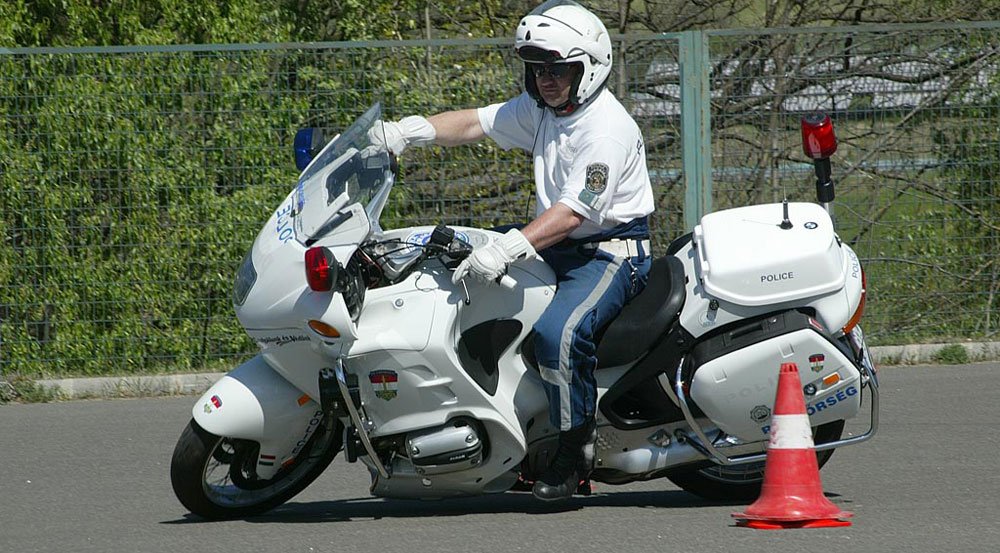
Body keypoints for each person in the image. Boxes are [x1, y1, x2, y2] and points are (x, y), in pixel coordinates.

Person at [374, 0, 654, 501]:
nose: (546, 79)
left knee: (557, 336)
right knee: (455, 259)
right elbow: (475, 123)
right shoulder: (546, 110)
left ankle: (574, 453)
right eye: (538, 68)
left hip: (608, 253)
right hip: (561, 245)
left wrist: (509, 249)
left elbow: (574, 214)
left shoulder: (604, 130)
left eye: (558, 69)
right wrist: (409, 131)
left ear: (587, 70)